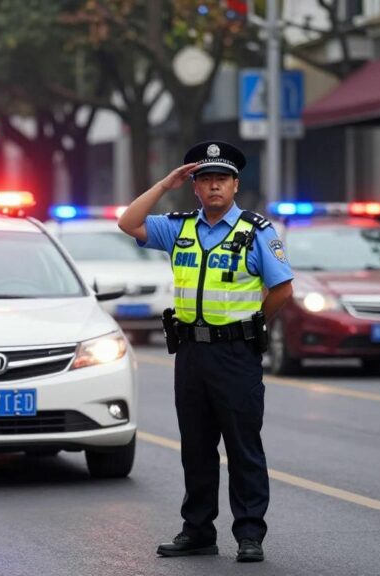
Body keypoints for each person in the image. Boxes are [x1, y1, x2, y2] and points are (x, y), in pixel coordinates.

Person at [118, 141, 293, 563]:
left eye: (222, 179)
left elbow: (282, 288)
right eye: (206, 180)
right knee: (196, 448)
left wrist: (251, 322)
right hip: (191, 355)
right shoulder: (179, 227)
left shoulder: (256, 230)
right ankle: (197, 531)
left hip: (237, 353)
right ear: (195, 187)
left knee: (242, 447)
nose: (214, 187)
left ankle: (250, 535)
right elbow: (128, 222)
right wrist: (164, 183)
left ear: (235, 185)